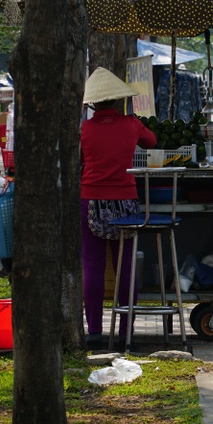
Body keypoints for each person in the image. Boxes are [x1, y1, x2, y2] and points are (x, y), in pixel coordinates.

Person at [80, 68, 157, 350]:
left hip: (91, 201)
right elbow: (152, 141)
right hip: (126, 202)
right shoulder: (131, 123)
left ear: (93, 103)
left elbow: (80, 157)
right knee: (125, 268)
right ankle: (126, 330)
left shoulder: (85, 128)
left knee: (93, 266)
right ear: (117, 99)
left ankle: (94, 332)